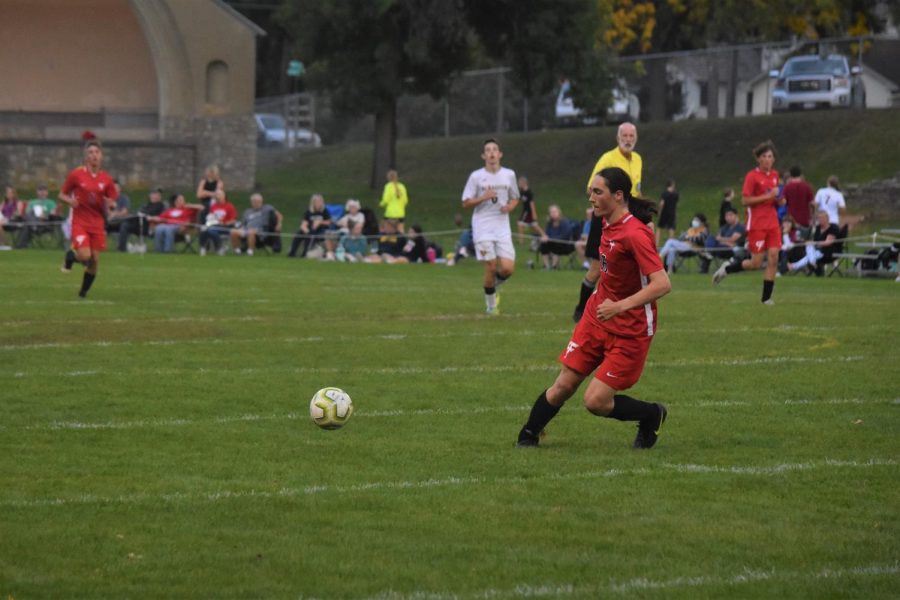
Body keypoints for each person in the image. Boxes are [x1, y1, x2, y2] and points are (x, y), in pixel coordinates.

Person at [516, 167, 670, 449]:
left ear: (618, 196)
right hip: (597, 317)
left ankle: (652, 415)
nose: (592, 198)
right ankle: (527, 436)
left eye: (598, 192)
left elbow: (662, 283)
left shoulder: (635, 234)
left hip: (630, 329)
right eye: (591, 192)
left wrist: (620, 306)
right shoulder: (605, 223)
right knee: (563, 385)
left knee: (595, 401)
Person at [573, 122, 642, 323]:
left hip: (628, 223)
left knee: (626, 269)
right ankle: (580, 311)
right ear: (617, 138)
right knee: (597, 269)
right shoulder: (608, 159)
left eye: (631, 136)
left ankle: (622, 310)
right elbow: (590, 189)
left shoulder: (637, 159)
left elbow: (636, 191)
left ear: (635, 138)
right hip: (605, 221)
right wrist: (609, 206)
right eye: (625, 135)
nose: (628, 139)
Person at [712, 140, 784, 305]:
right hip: (757, 223)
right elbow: (745, 201)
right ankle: (728, 268)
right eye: (765, 156)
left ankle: (766, 299)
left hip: (772, 222)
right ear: (758, 159)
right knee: (755, 263)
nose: (768, 159)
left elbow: (773, 197)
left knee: (773, 258)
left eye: (771, 156)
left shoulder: (774, 175)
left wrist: (779, 201)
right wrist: (768, 196)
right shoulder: (752, 176)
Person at [461, 138, 520, 315]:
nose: (492, 153)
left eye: (495, 149)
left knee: (508, 269)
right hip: (483, 225)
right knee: (491, 266)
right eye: (488, 150)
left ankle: (491, 287)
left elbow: (515, 197)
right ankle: (491, 306)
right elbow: (465, 202)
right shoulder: (476, 176)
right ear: (483, 155)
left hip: (502, 226)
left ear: (500, 154)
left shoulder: (509, 174)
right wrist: (483, 197)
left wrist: (511, 206)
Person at [59, 139, 119, 298]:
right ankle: (70, 256)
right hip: (80, 222)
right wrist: (69, 201)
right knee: (85, 256)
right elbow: (61, 194)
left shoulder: (106, 179)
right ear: (86, 157)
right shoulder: (76, 175)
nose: (94, 155)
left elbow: (112, 199)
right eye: (91, 152)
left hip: (97, 223)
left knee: (94, 261)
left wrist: (111, 204)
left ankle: (83, 292)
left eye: (97, 152)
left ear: (102, 156)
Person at [786, 211, 840, 276]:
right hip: (817, 250)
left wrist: (814, 243)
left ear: (827, 218)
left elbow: (828, 243)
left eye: (822, 218)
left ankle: (795, 265)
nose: (820, 220)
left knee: (810, 254)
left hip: (828, 251)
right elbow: (814, 241)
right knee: (809, 246)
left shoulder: (833, 228)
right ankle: (812, 263)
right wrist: (812, 243)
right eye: (819, 218)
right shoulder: (818, 228)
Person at [118, 187, 165, 252]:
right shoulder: (146, 205)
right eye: (154, 194)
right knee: (125, 225)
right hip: (138, 224)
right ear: (150, 195)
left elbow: (162, 218)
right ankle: (122, 249)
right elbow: (139, 213)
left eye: (157, 195)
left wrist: (151, 218)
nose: (155, 196)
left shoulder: (162, 206)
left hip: (149, 227)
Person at [700, 207, 746, 274]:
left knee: (713, 247)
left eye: (730, 215)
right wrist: (723, 240)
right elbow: (717, 238)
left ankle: (707, 255)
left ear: (736, 215)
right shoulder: (725, 227)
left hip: (732, 250)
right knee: (711, 238)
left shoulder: (740, 227)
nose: (728, 217)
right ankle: (708, 253)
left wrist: (721, 240)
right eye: (726, 215)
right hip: (721, 248)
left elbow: (732, 240)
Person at [288, 193, 332, 258]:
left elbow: (329, 222)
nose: (318, 203)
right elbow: (304, 222)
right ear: (313, 202)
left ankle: (305, 253)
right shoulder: (309, 211)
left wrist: (320, 222)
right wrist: (304, 228)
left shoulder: (324, 211)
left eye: (319, 201)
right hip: (309, 229)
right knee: (299, 233)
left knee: (310, 235)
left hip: (320, 231)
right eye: (316, 201)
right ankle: (292, 252)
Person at [533, 204, 575, 270]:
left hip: (565, 245)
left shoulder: (565, 223)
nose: (553, 214)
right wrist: (544, 237)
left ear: (559, 212)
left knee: (556, 245)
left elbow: (566, 235)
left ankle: (554, 266)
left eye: (554, 212)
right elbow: (547, 234)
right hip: (552, 243)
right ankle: (546, 266)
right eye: (551, 212)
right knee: (543, 245)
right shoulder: (549, 224)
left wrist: (552, 239)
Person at [199, 189, 238, 255]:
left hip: (225, 227)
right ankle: (204, 247)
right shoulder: (214, 206)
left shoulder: (229, 206)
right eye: (216, 194)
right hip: (214, 225)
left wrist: (224, 223)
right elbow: (210, 217)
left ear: (224, 196)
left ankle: (218, 248)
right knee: (204, 229)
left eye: (219, 194)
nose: (217, 196)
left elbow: (233, 220)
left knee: (210, 230)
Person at [782, 165, 815, 233]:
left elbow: (783, 202)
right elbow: (812, 203)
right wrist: (813, 216)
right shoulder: (806, 186)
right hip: (805, 219)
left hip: (791, 221)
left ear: (790, 175)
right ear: (800, 174)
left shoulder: (787, 187)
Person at [380, 169, 409, 234]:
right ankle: (402, 243)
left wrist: (381, 204)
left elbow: (385, 200)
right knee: (401, 232)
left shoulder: (388, 186)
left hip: (390, 214)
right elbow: (406, 201)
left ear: (388, 178)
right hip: (401, 214)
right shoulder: (402, 186)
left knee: (384, 230)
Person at [516, 175, 540, 244]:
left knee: (520, 223)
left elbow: (532, 203)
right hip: (525, 211)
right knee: (534, 225)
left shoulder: (528, 192)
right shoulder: (522, 192)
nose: (518, 184)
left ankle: (521, 241)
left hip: (528, 212)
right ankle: (544, 235)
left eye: (519, 183)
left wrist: (534, 214)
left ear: (524, 183)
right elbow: (518, 200)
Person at [656, 179, 679, 246]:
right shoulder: (676, 194)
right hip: (672, 214)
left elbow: (661, 204)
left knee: (659, 228)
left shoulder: (664, 193)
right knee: (671, 228)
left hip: (664, 213)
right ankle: (671, 245)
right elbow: (676, 204)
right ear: (672, 185)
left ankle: (656, 244)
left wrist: (659, 211)